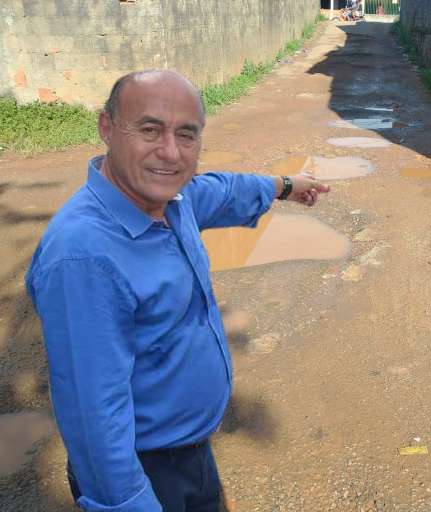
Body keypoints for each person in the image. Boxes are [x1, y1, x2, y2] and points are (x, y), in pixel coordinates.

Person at [25, 69, 330, 512]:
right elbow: (94, 423)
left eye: (187, 135)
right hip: (145, 471)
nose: (170, 153)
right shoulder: (83, 257)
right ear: (106, 128)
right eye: (150, 129)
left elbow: (218, 190)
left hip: (190, 451)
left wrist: (283, 187)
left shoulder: (170, 199)